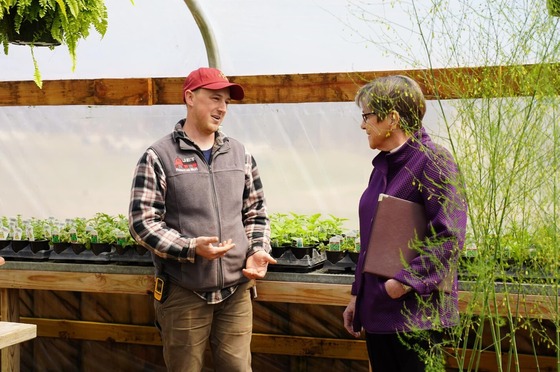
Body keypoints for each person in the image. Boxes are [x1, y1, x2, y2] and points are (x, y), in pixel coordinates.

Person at [128, 67, 276, 372]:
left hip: (236, 291)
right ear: (190, 98)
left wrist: (258, 249)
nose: (222, 108)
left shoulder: (240, 155)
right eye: (214, 98)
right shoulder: (159, 156)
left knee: (237, 367)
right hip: (184, 292)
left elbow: (255, 212)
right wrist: (190, 248)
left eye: (226, 102)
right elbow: (142, 222)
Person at [342, 75, 468, 371]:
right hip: (377, 312)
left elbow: (449, 237)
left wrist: (402, 283)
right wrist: (357, 296)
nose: (362, 125)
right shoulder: (383, 167)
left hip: (415, 318)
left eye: (367, 116)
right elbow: (371, 239)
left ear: (393, 119)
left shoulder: (433, 162)